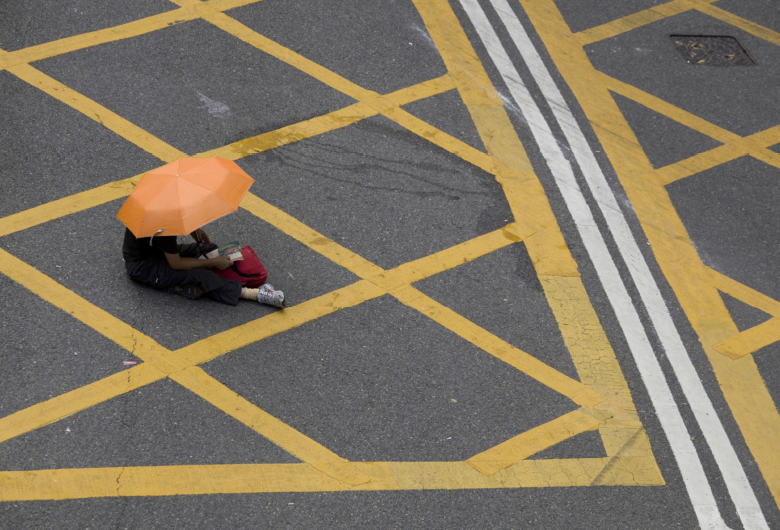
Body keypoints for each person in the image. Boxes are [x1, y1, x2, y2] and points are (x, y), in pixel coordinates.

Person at [122, 227, 284, 307]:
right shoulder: (164, 229)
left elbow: (185, 222)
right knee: (199, 274)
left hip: (157, 252)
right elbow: (176, 263)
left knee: (208, 248)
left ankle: (226, 278)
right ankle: (257, 294)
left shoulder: (169, 215)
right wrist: (212, 262)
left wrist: (197, 233)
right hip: (144, 267)